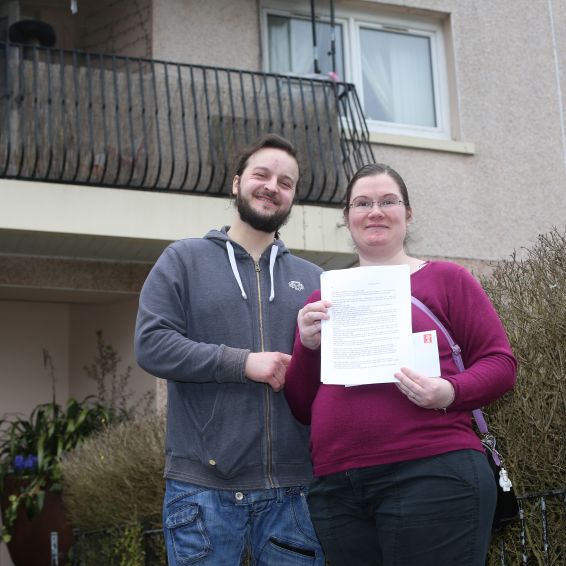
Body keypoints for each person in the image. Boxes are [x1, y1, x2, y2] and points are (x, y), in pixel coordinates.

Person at [284, 163, 517, 566]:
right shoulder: (324, 297)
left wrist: (450, 391)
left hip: (432, 473)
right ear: (347, 218)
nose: (375, 211)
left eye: (388, 201)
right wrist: (306, 345)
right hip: (338, 488)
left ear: (407, 214)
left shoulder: (446, 279)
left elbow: (500, 364)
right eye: (363, 203)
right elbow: (302, 405)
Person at [135, 134, 325, 565]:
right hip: (202, 492)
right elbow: (151, 346)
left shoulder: (314, 279)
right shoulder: (182, 260)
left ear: (292, 197)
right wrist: (243, 363)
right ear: (236, 183)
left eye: (286, 181)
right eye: (262, 174)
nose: (272, 186)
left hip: (293, 493)